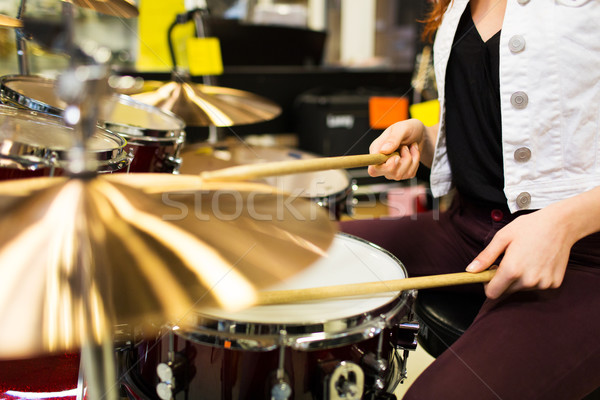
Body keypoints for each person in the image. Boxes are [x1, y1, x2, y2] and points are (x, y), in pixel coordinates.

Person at [340, 0, 600, 398]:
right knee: (298, 253)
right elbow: (505, 131)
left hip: (583, 256)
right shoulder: (458, 4)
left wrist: (563, 223)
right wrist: (425, 138)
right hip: (470, 226)